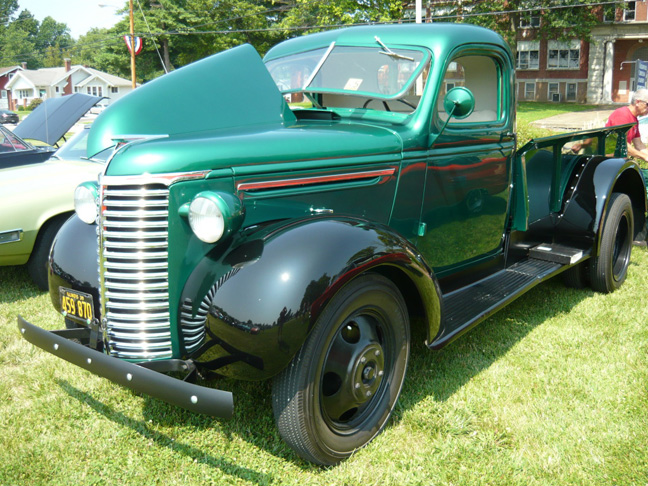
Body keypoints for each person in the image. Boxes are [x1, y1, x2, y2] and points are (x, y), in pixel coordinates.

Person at [605, 88, 648, 161]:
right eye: (647, 104)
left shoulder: (634, 119)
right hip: (609, 160)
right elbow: (622, 145)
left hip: (619, 160)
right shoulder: (622, 115)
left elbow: (639, 145)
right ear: (637, 102)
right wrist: (645, 157)